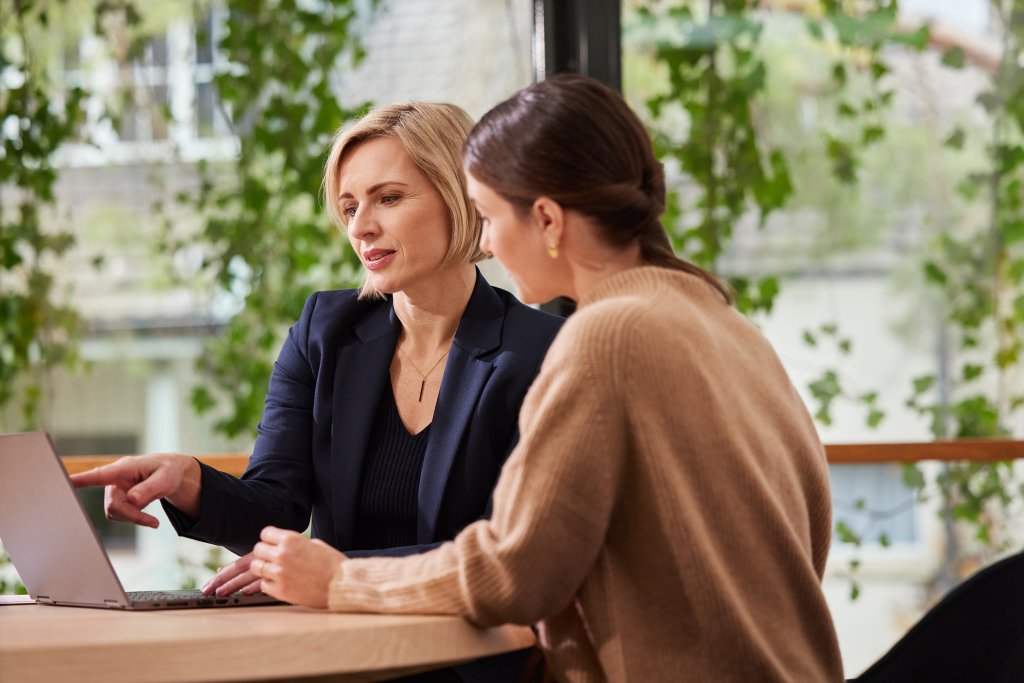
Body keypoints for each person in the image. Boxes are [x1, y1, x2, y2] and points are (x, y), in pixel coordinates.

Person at [240, 74, 845, 682]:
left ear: (549, 220)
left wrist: (339, 579)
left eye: (488, 216)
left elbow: (514, 571)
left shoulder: (603, 338)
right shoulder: (725, 322)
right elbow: (813, 520)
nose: (491, 244)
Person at [71, 101, 563, 682]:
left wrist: (329, 572)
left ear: (460, 195)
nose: (360, 227)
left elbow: (498, 554)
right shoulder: (325, 330)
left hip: (463, 659)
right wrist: (191, 482)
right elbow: (275, 506)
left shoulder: (540, 351)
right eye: (350, 207)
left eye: (389, 198)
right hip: (335, 656)